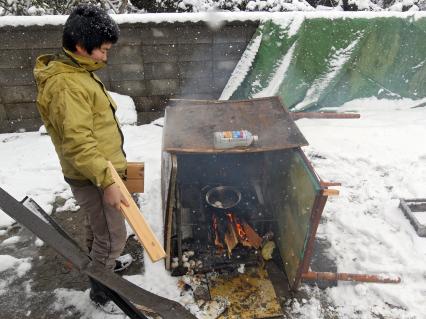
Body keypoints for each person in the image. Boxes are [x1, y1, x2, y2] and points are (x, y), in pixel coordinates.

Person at [33, 4, 130, 314]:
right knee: (114, 234)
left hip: (97, 171)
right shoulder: (66, 84)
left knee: (99, 228)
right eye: (102, 50)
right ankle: (102, 291)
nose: (105, 55)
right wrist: (107, 180)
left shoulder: (78, 72)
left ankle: (104, 264)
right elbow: (78, 142)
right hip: (93, 175)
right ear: (80, 46)